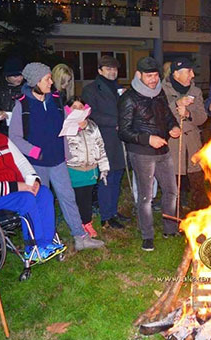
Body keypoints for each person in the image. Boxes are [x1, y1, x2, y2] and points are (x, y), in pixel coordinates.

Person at [10, 62, 104, 251]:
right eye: (47, 79)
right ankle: (44, 241)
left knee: (68, 198)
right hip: (38, 163)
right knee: (42, 201)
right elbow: (14, 137)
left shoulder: (55, 100)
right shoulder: (23, 105)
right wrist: (34, 151)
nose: (51, 82)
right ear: (36, 81)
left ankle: (80, 237)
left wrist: (76, 125)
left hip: (58, 160)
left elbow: (63, 126)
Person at [0, 105, 65, 260]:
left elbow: (22, 163)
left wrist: (33, 179)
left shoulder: (0, 139)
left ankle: (46, 243)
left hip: (16, 189)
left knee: (43, 192)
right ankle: (33, 247)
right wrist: (18, 187)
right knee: (26, 199)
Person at [118, 56, 181, 251]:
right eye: (149, 76)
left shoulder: (160, 92)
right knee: (145, 197)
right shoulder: (129, 98)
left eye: (155, 75)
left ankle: (170, 229)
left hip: (163, 150)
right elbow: (124, 131)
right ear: (139, 75)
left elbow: (168, 115)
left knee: (171, 191)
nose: (153, 80)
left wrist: (173, 126)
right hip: (142, 153)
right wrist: (148, 139)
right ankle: (147, 236)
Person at [82, 55, 130, 229]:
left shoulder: (120, 89)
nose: (112, 72)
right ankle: (106, 217)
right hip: (104, 139)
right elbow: (90, 114)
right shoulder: (91, 90)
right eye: (108, 68)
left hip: (120, 140)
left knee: (117, 177)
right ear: (99, 70)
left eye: (115, 69)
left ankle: (113, 211)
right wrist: (116, 122)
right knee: (106, 178)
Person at [162, 57, 209, 211]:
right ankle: (174, 218)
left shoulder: (195, 91)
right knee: (174, 182)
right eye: (188, 71)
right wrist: (176, 104)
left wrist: (189, 113)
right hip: (173, 143)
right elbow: (160, 114)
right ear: (176, 73)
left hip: (193, 143)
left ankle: (201, 214)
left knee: (197, 181)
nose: (192, 75)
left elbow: (202, 117)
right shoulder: (162, 90)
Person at [64, 97, 110, 237]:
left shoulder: (92, 125)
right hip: (74, 169)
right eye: (74, 107)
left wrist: (103, 167)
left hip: (91, 169)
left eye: (80, 106)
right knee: (77, 198)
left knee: (87, 198)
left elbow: (100, 146)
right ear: (68, 109)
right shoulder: (65, 126)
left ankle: (87, 222)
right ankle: (78, 225)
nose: (78, 109)